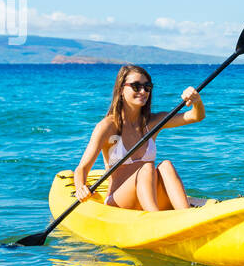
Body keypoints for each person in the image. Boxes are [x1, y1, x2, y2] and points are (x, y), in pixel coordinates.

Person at [72, 64, 205, 211]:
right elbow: (82, 168)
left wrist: (196, 101)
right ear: (121, 89)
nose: (143, 91)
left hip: (150, 197)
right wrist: (80, 188)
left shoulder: (153, 122)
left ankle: (186, 213)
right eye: (136, 86)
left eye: (147, 87)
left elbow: (196, 116)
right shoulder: (107, 126)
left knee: (166, 165)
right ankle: (154, 218)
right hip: (119, 201)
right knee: (147, 168)